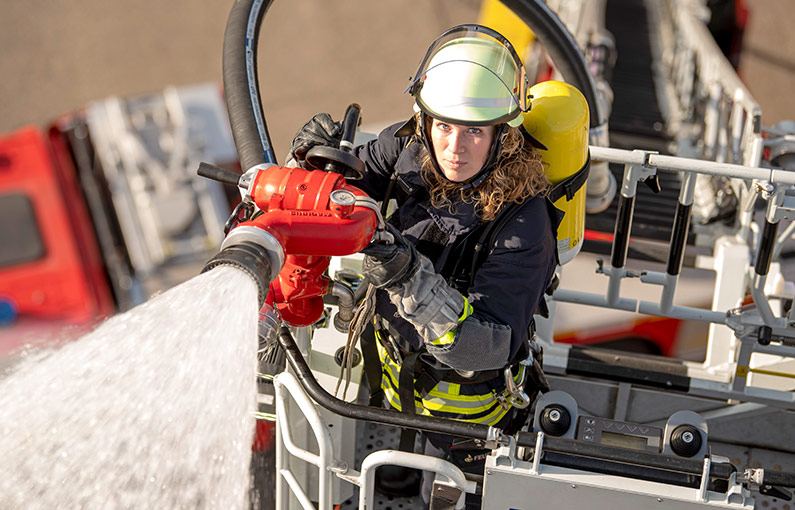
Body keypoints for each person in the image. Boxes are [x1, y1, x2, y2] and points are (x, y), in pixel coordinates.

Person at [290, 24, 560, 507]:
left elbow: (488, 347)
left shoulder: (524, 222)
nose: (454, 146)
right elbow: (340, 191)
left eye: (474, 130)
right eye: (444, 125)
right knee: (395, 455)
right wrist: (311, 166)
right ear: (425, 120)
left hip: (464, 415)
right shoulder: (407, 148)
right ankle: (395, 478)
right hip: (396, 374)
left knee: (451, 494)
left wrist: (407, 276)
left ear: (504, 134)